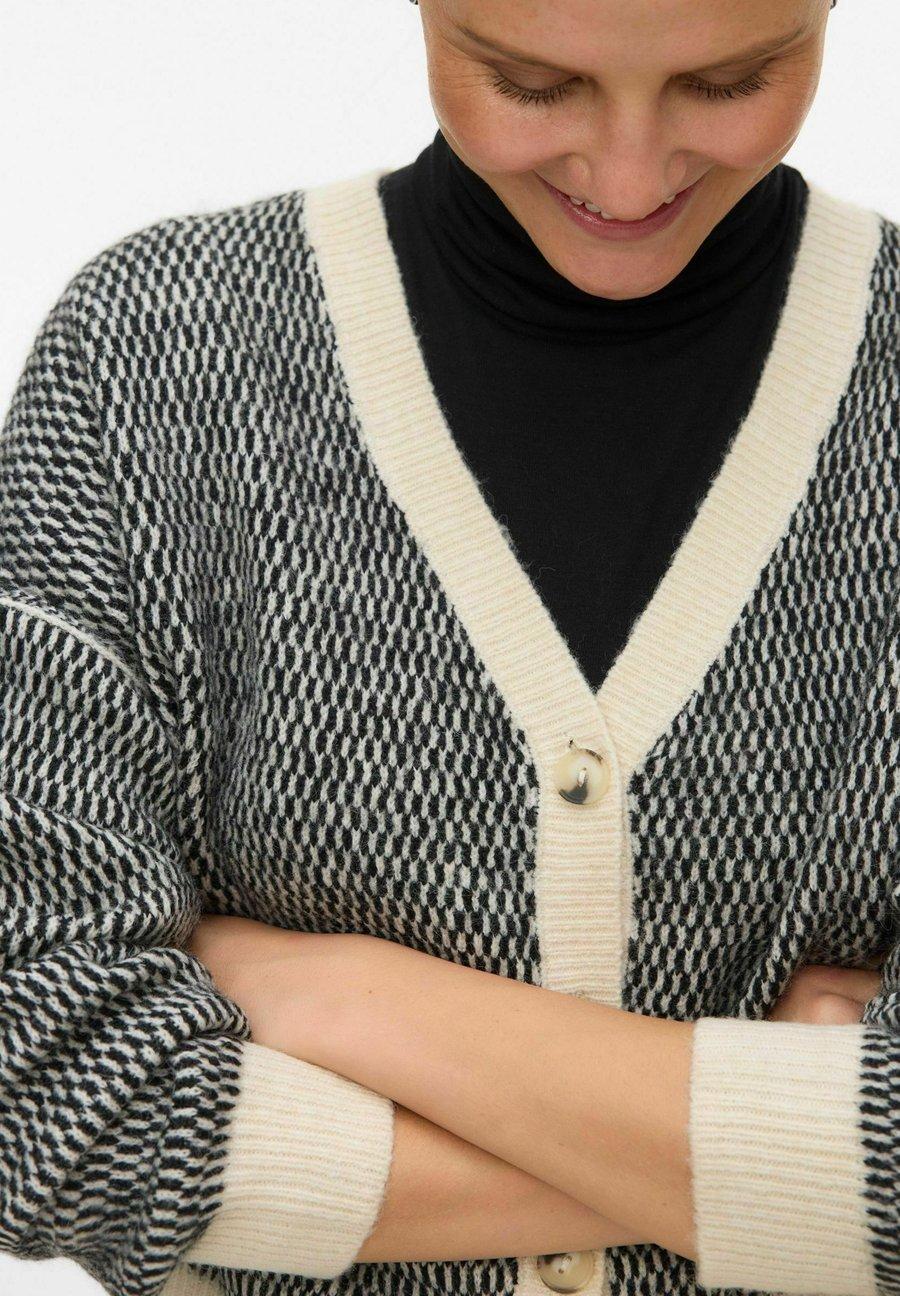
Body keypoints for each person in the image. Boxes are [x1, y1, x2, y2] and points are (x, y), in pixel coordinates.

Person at [0, 1, 895, 1295]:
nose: (628, 178)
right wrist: (794, 1139)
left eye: (730, 81)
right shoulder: (151, 366)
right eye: (531, 83)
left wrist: (352, 1001)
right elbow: (33, 1090)